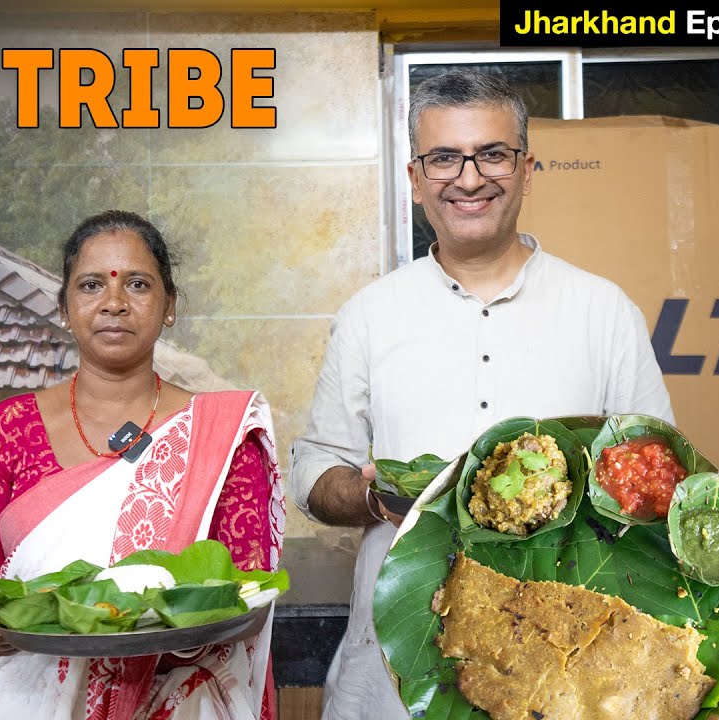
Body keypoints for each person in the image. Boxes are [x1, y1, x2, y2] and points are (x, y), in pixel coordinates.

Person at [289, 70, 674, 720]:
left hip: (564, 662)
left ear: (526, 170)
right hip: (396, 664)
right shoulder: (369, 316)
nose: (469, 179)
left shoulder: (603, 311)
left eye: (492, 154)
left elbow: (658, 474)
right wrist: (373, 496)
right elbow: (313, 471)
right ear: (415, 179)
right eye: (444, 158)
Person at [0, 210, 286, 720]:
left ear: (170, 306)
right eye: (91, 285)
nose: (114, 302)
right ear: (65, 308)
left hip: (184, 700)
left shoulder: (223, 436)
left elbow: (250, 596)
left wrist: (155, 623)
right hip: (33, 696)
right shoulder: (7, 430)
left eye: (138, 284)